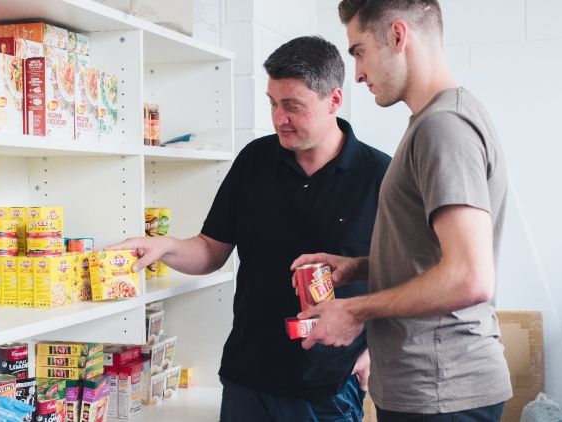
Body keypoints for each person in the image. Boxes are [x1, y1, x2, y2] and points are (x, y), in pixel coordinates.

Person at [108, 35, 390, 421]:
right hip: (247, 377)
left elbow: (406, 278)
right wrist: (165, 247)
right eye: (273, 103)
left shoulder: (380, 175)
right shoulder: (255, 160)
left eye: (292, 106)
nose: (278, 118)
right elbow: (211, 249)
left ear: (334, 100)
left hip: (329, 385)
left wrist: (374, 353)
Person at [291, 1, 513, 421]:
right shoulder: (434, 122)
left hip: (442, 392)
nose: (357, 73)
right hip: (429, 389)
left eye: (359, 51)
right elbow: (432, 257)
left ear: (397, 36)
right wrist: (357, 267)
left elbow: (470, 277)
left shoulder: (444, 127)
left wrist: (354, 310)